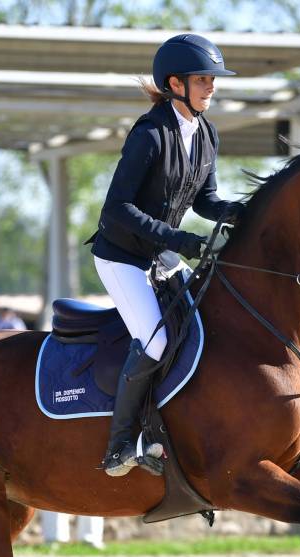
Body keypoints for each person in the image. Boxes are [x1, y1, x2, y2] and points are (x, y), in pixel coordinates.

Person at [88, 33, 245, 477]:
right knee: (156, 341)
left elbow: (206, 201)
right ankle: (119, 446)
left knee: (198, 326)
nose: (211, 87)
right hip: (122, 257)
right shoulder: (150, 132)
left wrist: (244, 213)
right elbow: (117, 209)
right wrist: (182, 241)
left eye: (213, 79)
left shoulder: (206, 133)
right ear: (175, 83)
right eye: (203, 79)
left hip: (161, 256)